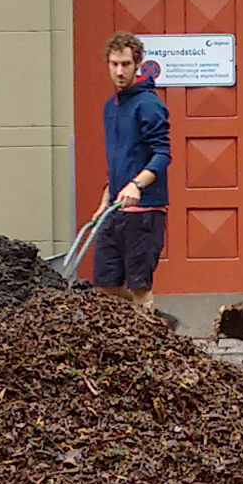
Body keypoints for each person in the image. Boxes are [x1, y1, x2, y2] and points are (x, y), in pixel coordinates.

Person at [95, 31, 172, 318]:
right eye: (114, 64)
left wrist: (137, 185)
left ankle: (152, 338)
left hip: (145, 211)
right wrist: (106, 198)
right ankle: (157, 320)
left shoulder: (148, 104)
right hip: (116, 209)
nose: (119, 71)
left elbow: (162, 154)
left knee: (139, 285)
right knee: (104, 284)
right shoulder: (110, 107)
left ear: (137, 64)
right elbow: (118, 159)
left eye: (126, 64)